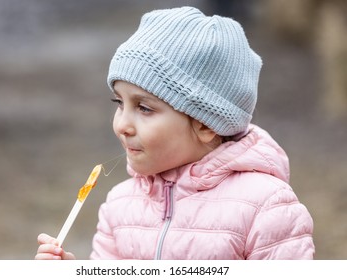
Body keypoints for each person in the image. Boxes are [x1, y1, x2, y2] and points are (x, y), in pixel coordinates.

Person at [35, 6, 315, 260]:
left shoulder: (266, 209)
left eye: (144, 108)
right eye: (119, 103)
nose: (122, 124)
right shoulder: (120, 207)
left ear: (206, 123)